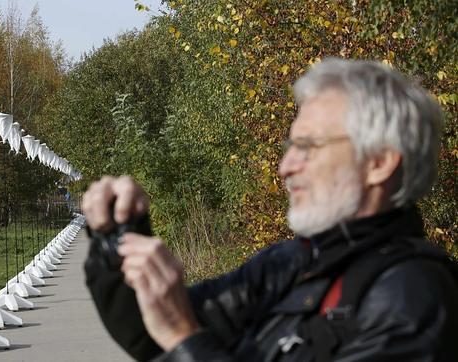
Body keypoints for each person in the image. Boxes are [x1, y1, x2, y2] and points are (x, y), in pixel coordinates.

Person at [82, 58, 458, 361]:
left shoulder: (411, 297)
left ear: (379, 162)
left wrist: (185, 338)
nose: (286, 167)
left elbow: (176, 334)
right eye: (289, 147)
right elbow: (153, 335)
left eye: (308, 147)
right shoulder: (292, 264)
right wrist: (116, 237)